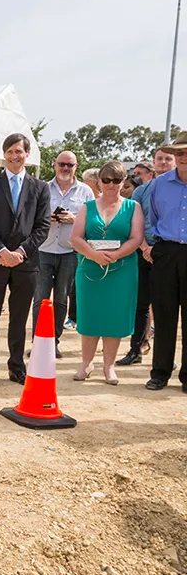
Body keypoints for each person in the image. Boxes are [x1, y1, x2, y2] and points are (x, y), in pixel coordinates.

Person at [0, 133, 50, 387]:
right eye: (9, 151)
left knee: (19, 317)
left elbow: (43, 226)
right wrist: (1, 252)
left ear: (27, 154)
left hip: (26, 263)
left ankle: (16, 366)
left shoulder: (40, 188)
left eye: (19, 151)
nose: (14, 156)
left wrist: (20, 252)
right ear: (4, 154)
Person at [69, 160, 144, 384]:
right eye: (106, 180)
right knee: (90, 317)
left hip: (121, 270)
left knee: (114, 318)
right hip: (90, 268)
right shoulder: (87, 207)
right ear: (99, 181)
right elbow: (75, 238)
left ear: (123, 182)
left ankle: (109, 366)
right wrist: (93, 255)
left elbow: (136, 238)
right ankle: (86, 363)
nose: (111, 185)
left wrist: (116, 254)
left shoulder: (134, 207)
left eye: (117, 180)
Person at [31, 151, 93, 359]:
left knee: (61, 300)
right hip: (43, 251)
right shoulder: (42, 188)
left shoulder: (85, 192)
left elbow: (93, 221)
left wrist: (74, 218)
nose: (65, 168)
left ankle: (53, 343)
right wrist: (47, 218)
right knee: (40, 299)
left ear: (76, 166)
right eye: (62, 164)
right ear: (54, 165)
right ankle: (38, 343)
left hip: (69, 252)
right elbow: (30, 218)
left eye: (70, 165)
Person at [119, 146, 177, 366]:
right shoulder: (141, 192)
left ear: (174, 162)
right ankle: (135, 349)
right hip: (143, 251)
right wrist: (144, 248)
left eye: (167, 158)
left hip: (169, 253)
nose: (163, 162)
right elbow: (136, 222)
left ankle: (165, 358)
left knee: (167, 307)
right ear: (154, 162)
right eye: (159, 158)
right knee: (141, 305)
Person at [144, 131, 187, 392]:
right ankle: (160, 372)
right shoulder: (159, 184)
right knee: (164, 314)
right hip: (166, 253)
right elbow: (154, 218)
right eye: (179, 152)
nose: (183, 157)